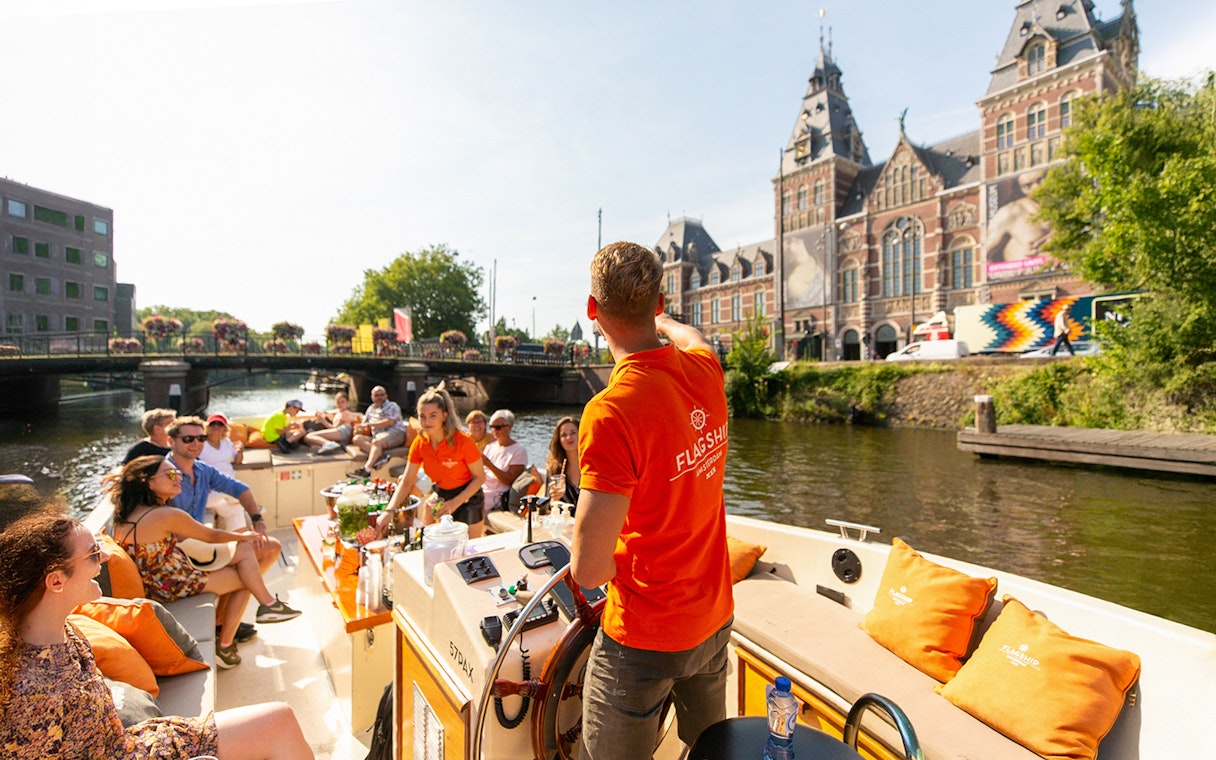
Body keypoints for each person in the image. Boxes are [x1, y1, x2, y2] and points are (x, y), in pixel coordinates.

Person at [571, 241, 733, 758]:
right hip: (712, 617)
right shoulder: (706, 371)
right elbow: (696, 337)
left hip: (645, 635)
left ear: (593, 310)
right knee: (707, 749)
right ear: (659, 303)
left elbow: (589, 571)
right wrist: (665, 326)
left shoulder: (612, 411)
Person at [0, 510, 312, 758]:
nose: (106, 557)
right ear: (56, 582)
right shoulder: (32, 696)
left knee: (280, 718)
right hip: (129, 751)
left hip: (133, 743)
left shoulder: (62, 630)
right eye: (94, 553)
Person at [105, 456, 300, 668]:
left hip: (161, 579)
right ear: (148, 482)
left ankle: (264, 607)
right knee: (248, 579)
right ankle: (226, 645)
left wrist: (241, 541)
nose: (178, 478)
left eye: (178, 473)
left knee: (245, 560)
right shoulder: (165, 514)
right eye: (170, 474)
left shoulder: (129, 514)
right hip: (172, 584)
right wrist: (243, 536)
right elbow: (211, 536)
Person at [165, 415, 284, 647]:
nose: (196, 443)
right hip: (178, 555)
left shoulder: (201, 470)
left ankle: (223, 626)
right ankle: (226, 642)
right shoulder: (164, 474)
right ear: (171, 441)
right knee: (249, 572)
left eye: (200, 438)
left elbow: (240, 489)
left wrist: (257, 519)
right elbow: (184, 532)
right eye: (188, 438)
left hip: (199, 546)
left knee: (269, 548)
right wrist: (241, 536)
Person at [380, 387, 487, 537]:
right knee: (428, 541)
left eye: (433, 416)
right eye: (422, 416)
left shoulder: (463, 441)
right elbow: (407, 481)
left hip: (468, 499)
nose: (427, 421)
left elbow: (480, 477)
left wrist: (456, 502)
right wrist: (388, 512)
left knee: (468, 553)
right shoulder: (420, 443)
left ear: (444, 415)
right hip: (442, 495)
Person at [349, 386, 408, 477]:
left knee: (376, 442)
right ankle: (381, 457)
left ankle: (366, 469)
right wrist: (358, 429)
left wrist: (369, 425)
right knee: (357, 439)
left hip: (395, 433)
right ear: (372, 397)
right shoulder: (370, 409)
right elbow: (364, 425)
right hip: (377, 436)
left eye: (382, 395)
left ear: (386, 396)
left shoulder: (392, 406)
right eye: (376, 395)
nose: (379, 397)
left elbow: (389, 422)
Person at [481, 409, 528, 512]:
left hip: (498, 495)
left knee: (469, 504)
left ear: (509, 426)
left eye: (498, 427)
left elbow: (510, 480)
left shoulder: (518, 450)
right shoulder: (490, 447)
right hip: (483, 488)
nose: (495, 431)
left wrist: (489, 464)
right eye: (492, 427)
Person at [542, 416, 581, 505]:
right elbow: (546, 507)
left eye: (573, 433)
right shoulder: (554, 469)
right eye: (564, 435)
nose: (569, 437)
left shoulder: (593, 465)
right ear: (558, 440)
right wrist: (554, 499)